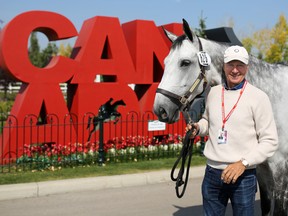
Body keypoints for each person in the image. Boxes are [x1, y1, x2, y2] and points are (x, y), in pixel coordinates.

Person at [187, 45, 278, 216]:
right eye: (231, 65)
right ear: (224, 66)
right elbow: (209, 121)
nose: (235, 70)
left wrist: (243, 163)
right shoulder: (213, 93)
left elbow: (270, 141)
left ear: (247, 68)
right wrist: (198, 128)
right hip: (212, 175)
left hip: (243, 176)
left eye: (240, 65)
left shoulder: (259, 97)